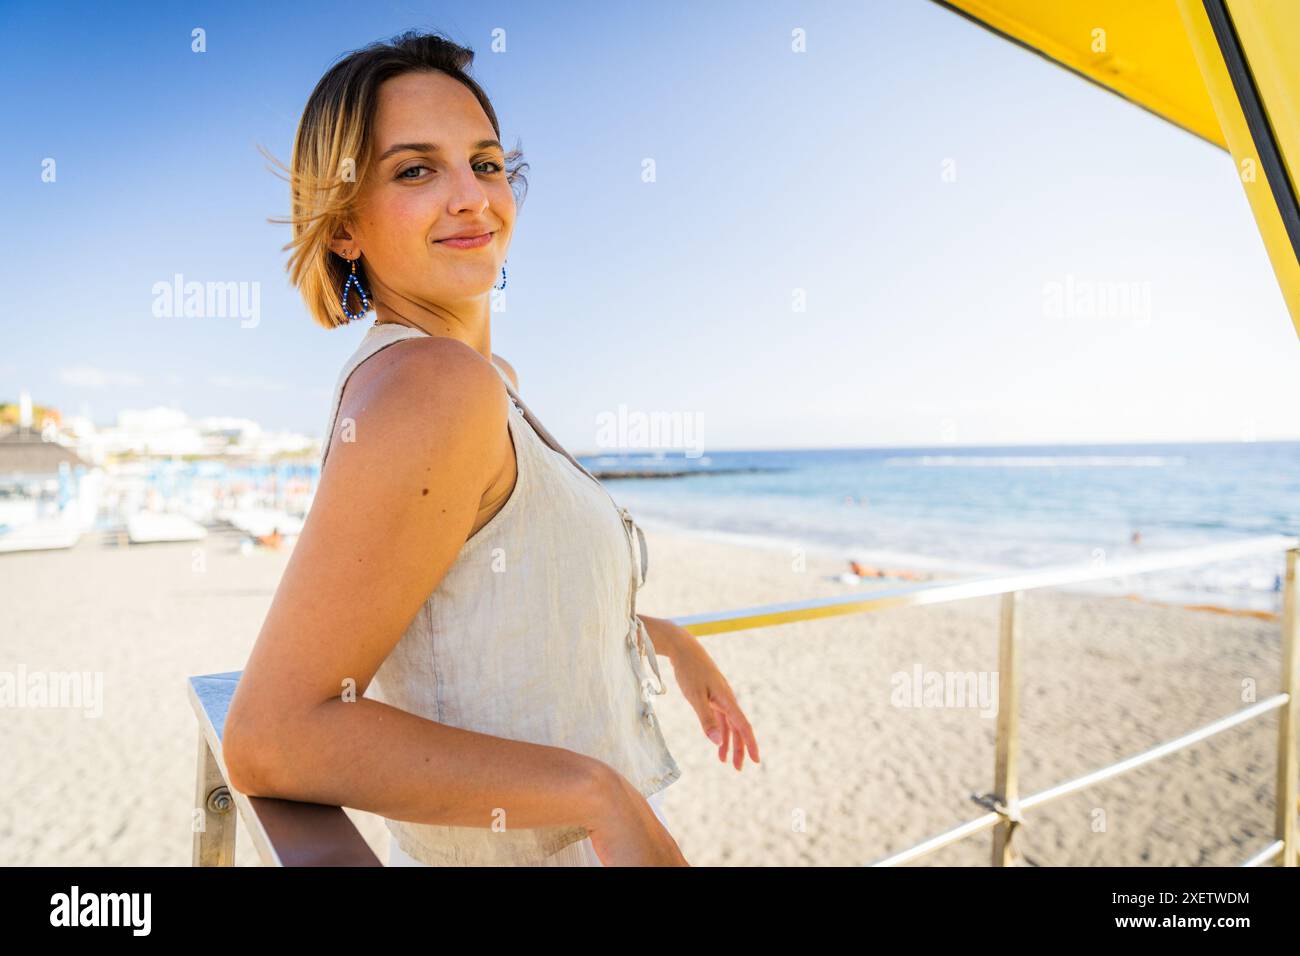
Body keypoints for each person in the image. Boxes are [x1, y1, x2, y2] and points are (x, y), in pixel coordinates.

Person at [221, 30, 759, 867]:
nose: (471, 195)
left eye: (485, 162)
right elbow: (273, 736)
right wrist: (595, 790)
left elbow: (485, 609)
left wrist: (665, 639)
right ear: (344, 227)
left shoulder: (476, 378)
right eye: (414, 170)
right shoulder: (435, 385)